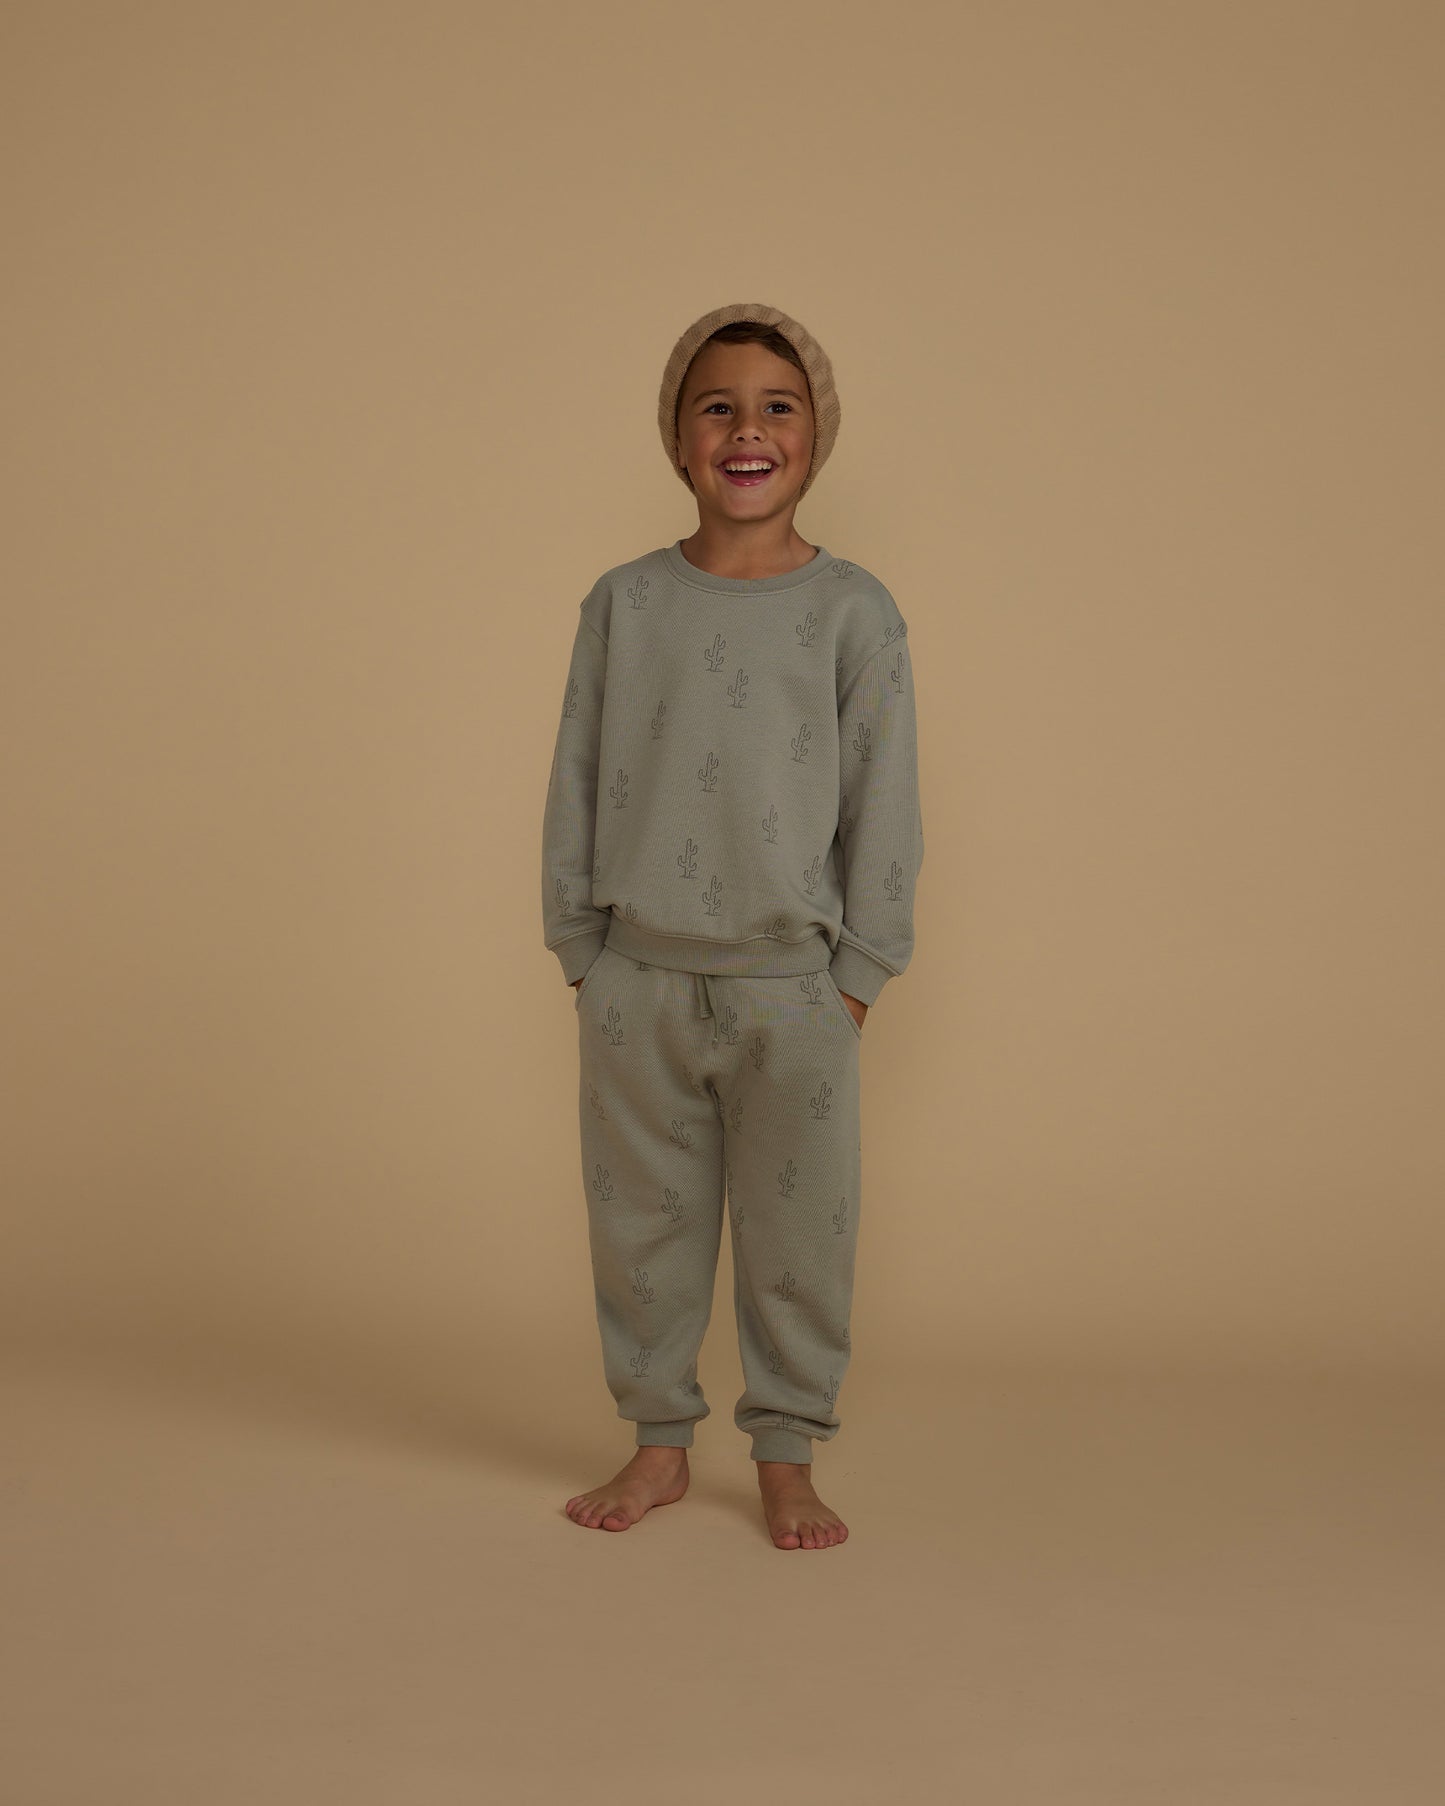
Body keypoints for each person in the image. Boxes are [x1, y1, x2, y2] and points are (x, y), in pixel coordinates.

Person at [540, 301, 924, 1550]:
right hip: (636, 980)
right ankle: (656, 1446)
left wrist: (854, 976)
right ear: (677, 437)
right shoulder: (624, 603)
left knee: (798, 1238)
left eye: (775, 407)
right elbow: (575, 773)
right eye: (716, 407)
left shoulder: (855, 612)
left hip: (793, 990)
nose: (746, 430)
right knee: (638, 1231)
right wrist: (581, 950)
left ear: (814, 434)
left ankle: (785, 1456)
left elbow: (883, 799)